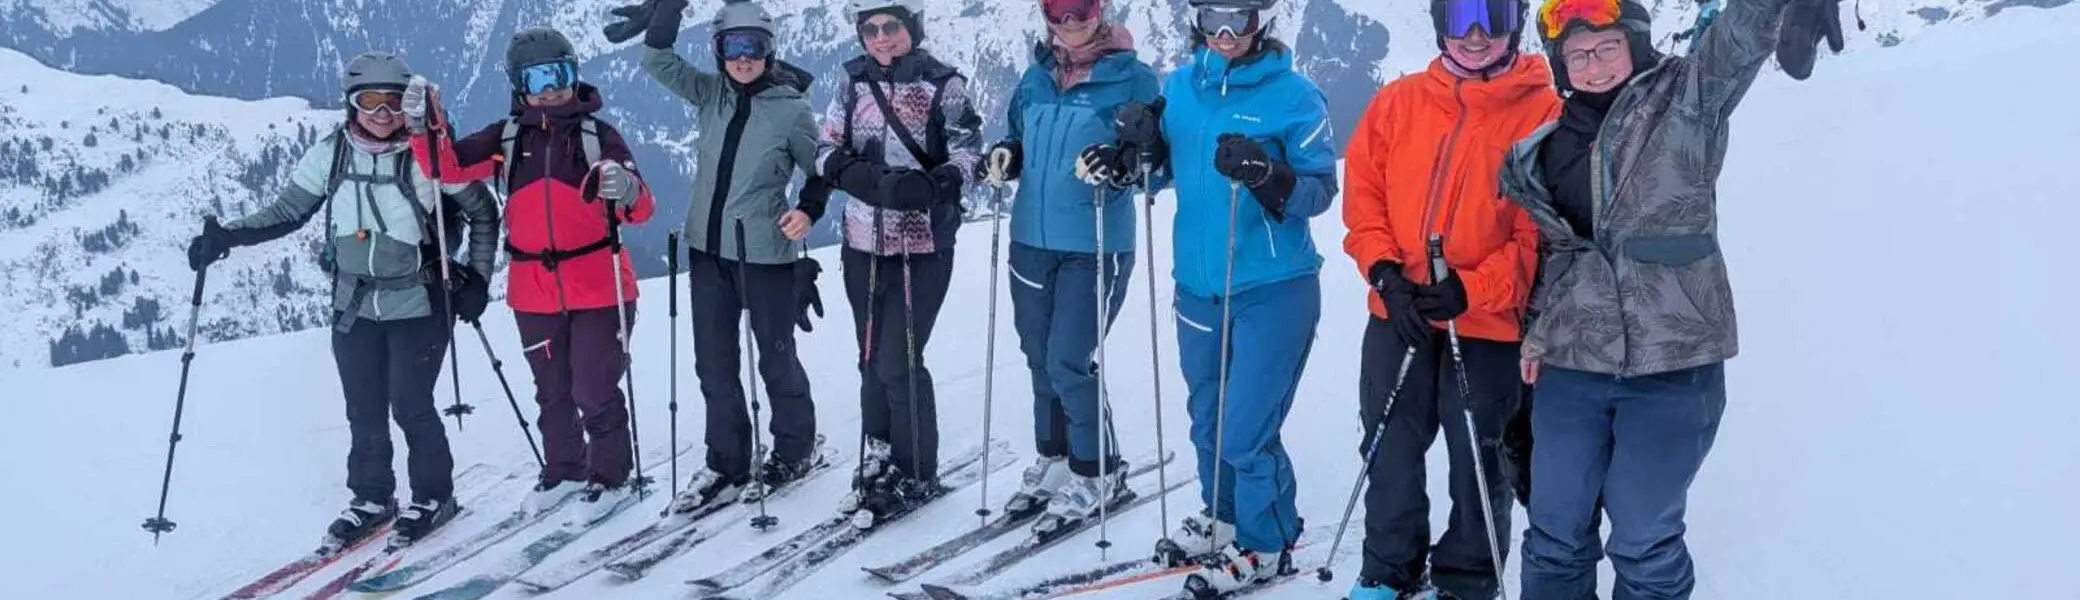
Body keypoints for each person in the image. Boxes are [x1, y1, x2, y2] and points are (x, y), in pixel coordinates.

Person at [1502, 0, 1843, 596]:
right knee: (1554, 534)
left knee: (1643, 540)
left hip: (1671, 362)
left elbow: (1736, 38)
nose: (1594, 65)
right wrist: (1538, 332)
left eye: (1607, 46)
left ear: (1634, 42)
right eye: (1578, 54)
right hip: (1571, 364)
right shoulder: (1547, 146)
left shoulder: (1690, 98)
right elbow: (1562, 252)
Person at [184, 51, 500, 547]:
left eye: (392, 102)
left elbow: (483, 212)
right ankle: (372, 498)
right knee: (364, 408)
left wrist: (478, 280)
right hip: (353, 304)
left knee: (411, 404)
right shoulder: (332, 152)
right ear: (351, 105)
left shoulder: (429, 158)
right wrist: (228, 237)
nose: (381, 113)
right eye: (368, 101)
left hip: (420, 300)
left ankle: (434, 497)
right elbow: (289, 211)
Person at [1087, 0, 1338, 593]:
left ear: (1263, 22)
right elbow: (1171, 169)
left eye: (1240, 18)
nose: (1225, 33)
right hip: (1198, 285)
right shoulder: (1181, 86)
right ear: (1195, 21)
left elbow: (1319, 191)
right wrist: (1138, 156)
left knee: (1246, 428)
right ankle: (1226, 517)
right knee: (1208, 420)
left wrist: (1264, 173)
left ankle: (1268, 542)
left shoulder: (1295, 97)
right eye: (1212, 17)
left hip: (1274, 288)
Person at [1337, 0, 1557, 597]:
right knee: (1389, 441)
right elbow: (1365, 194)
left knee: (1477, 455)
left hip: (1486, 322)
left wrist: (1471, 288)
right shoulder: (1400, 101)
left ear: (1517, 23)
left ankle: (1466, 577)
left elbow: (1536, 231)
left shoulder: (1543, 113)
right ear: (1440, 23)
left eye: (1494, 15)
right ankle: (1387, 568)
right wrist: (1384, 271)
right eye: (1462, 16)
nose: (1477, 35)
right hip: (1400, 309)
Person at [401, 26, 658, 524]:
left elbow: (641, 206)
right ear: (518, 84)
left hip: (599, 285)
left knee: (594, 387)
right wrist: (422, 128)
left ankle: (610, 476)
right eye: (536, 78)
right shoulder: (507, 137)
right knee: (552, 390)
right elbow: (447, 168)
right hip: (534, 288)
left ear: (573, 74)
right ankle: (565, 471)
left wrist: (622, 185)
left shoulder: (596, 136)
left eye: (558, 75)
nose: (549, 88)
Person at [633, 0, 830, 514]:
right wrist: (668, 11)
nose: (743, 59)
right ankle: (727, 461)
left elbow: (821, 170)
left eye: (754, 47)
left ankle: (795, 449)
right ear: (719, 50)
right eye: (732, 47)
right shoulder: (711, 93)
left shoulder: (791, 108)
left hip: (765, 253)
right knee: (714, 365)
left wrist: (808, 212)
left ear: (769, 51)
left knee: (776, 358)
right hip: (706, 251)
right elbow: (656, 61)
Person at [980, 0, 1160, 535]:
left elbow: (1155, 158)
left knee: (1069, 360)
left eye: (1080, 10)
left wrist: (1121, 163)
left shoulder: (1135, 79)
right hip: (1031, 239)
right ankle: (1056, 459)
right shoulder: (1036, 77)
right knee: (1038, 356)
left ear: (1098, 11)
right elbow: (1018, 134)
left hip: (1096, 243)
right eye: (1058, 12)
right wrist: (1007, 155)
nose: (1070, 22)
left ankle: (1098, 469)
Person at [816, 0, 983, 523]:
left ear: (912, 28)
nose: (883, 38)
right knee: (869, 356)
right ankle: (881, 453)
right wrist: (860, 178)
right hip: (862, 239)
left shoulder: (943, 85)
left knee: (898, 359)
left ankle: (916, 470)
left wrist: (934, 185)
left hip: (922, 242)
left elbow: (970, 153)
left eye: (892, 27)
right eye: (872, 29)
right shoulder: (851, 83)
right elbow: (824, 150)